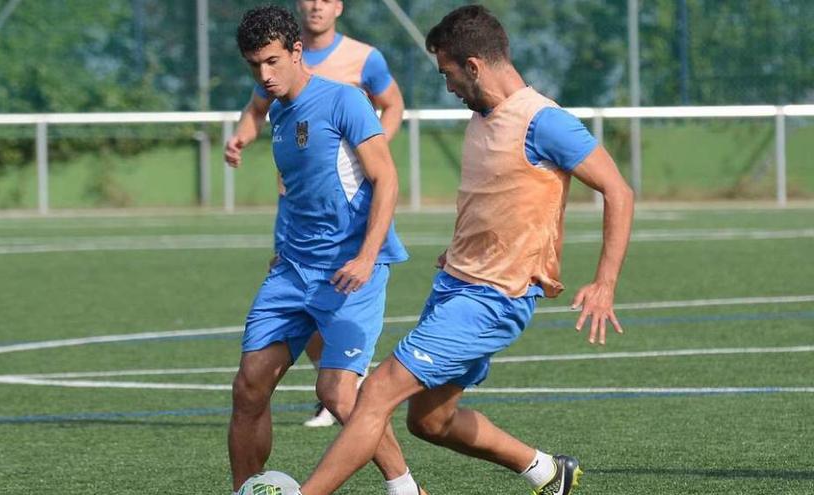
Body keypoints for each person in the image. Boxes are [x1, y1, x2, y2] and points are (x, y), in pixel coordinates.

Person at [298, 5, 635, 495]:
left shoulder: (544, 122)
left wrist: (605, 283)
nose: (448, 86)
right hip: (455, 285)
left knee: (373, 394)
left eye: (448, 74)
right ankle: (547, 471)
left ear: (473, 66)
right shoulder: (481, 116)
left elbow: (618, 191)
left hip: (493, 298)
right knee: (430, 421)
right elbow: (499, 199)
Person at [227, 6, 426, 495]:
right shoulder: (277, 112)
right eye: (255, 66)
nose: (264, 75)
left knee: (337, 394)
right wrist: (284, 249)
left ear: (297, 51)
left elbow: (386, 179)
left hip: (349, 271)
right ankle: (243, 491)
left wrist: (365, 256)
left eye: (273, 61)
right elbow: (300, 190)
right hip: (292, 270)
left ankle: (406, 489)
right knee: (249, 385)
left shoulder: (345, 101)